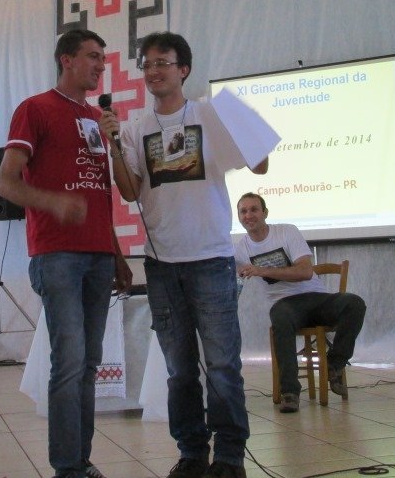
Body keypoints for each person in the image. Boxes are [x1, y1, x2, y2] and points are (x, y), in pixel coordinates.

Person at [105, 31, 268, 478]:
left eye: (163, 62)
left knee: (222, 364)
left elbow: (261, 164)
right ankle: (192, 453)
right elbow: (129, 191)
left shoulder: (208, 115)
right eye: (147, 64)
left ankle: (230, 456)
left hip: (212, 259)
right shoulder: (135, 128)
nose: (153, 71)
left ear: (184, 70)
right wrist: (114, 146)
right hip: (162, 264)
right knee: (179, 369)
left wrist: (245, 124)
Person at [0, 29, 132, 478]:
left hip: (98, 255)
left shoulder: (96, 118)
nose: (100, 66)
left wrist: (116, 253)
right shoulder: (35, 109)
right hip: (57, 254)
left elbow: (100, 195)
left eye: (103, 59)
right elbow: (5, 182)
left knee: (89, 363)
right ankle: (66, 467)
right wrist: (52, 202)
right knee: (70, 361)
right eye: (92, 56)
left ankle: (81, 461)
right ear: (66, 59)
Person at [233, 192, 366, 413]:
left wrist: (262, 270)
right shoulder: (240, 249)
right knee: (280, 316)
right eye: (243, 211)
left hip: (316, 298)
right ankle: (290, 392)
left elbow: (305, 272)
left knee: (354, 303)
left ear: (265, 213)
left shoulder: (286, 231)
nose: (248, 215)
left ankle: (334, 365)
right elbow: (231, 279)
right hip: (285, 305)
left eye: (254, 209)